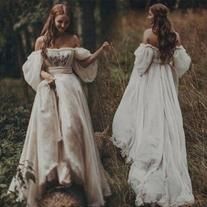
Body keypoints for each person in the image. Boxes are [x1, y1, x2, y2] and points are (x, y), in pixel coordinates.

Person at [8, 3, 111, 207]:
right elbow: (35, 69)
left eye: (66, 22)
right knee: (47, 132)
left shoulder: (73, 39)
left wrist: (101, 50)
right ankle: (50, 175)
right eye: (60, 21)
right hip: (49, 88)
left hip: (71, 88)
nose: (63, 25)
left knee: (72, 128)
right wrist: (47, 78)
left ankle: (71, 175)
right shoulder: (42, 41)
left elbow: (85, 62)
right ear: (52, 20)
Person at [112, 3, 194, 207]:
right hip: (165, 80)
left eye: (149, 13)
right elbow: (182, 64)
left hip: (150, 81)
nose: (147, 16)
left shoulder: (148, 34)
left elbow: (140, 66)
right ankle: (169, 166)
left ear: (154, 16)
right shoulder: (174, 36)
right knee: (166, 119)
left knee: (150, 117)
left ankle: (150, 165)